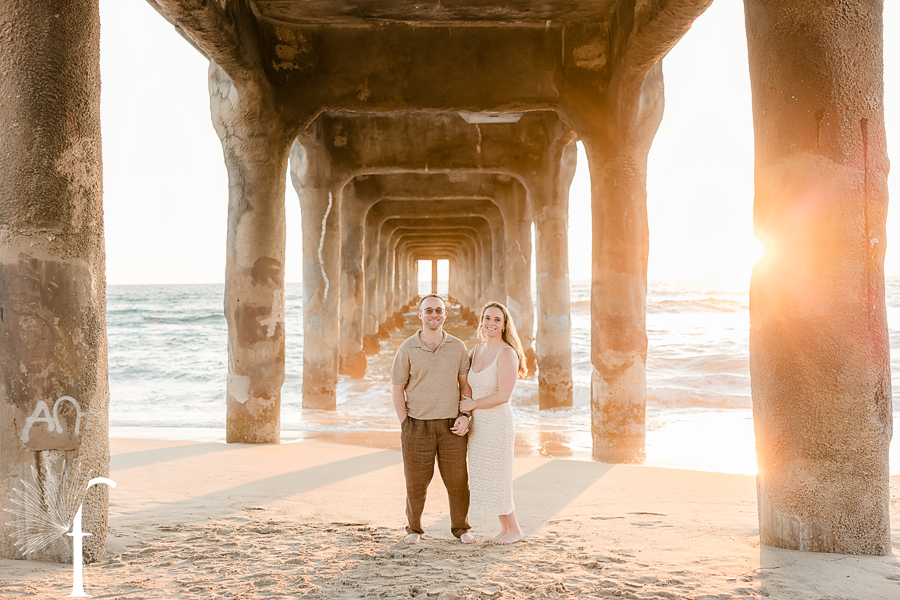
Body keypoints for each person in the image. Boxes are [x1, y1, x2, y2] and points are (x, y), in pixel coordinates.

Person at [391, 293, 476, 544]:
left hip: (451, 425)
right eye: (428, 310)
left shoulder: (458, 347)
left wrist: (465, 416)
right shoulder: (407, 348)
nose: (434, 315)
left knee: (458, 481)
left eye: (439, 310)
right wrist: (405, 422)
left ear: (445, 315)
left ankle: (461, 528)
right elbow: (398, 388)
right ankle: (414, 529)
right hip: (416, 425)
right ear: (420, 315)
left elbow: (465, 387)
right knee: (416, 483)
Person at [459, 301, 527, 544]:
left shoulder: (507, 353)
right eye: (488, 318)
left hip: (498, 424)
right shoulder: (475, 351)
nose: (491, 323)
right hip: (478, 426)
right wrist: (466, 415)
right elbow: (466, 389)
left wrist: (472, 406)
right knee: (487, 476)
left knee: (499, 476)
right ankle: (505, 529)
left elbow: (503, 396)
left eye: (497, 319)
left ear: (504, 324)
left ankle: (516, 530)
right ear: (482, 321)